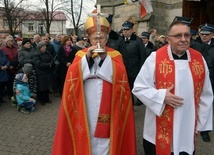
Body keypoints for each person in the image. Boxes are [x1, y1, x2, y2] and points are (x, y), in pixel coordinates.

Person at [52, 12, 136, 155]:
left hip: (109, 101)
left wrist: (104, 58)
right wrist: (88, 58)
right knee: (87, 128)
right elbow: (72, 75)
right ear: (89, 39)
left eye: (101, 37)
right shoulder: (80, 55)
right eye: (95, 38)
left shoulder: (115, 55)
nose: (98, 40)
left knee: (107, 133)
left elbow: (121, 76)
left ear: (107, 38)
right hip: (86, 101)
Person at [132, 21, 213, 155]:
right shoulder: (155, 58)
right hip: (157, 130)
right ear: (168, 38)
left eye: (186, 35)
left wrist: (201, 124)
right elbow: (139, 88)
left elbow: (206, 94)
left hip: (187, 127)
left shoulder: (199, 59)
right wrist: (162, 96)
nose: (183, 39)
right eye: (178, 36)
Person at [122, 21, 147, 106]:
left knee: (135, 87)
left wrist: (141, 70)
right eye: (124, 30)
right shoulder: (120, 40)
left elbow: (142, 56)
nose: (125, 31)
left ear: (132, 30)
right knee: (127, 89)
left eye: (127, 30)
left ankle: (140, 100)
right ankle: (130, 105)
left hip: (135, 69)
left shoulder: (137, 41)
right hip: (124, 69)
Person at [197, 24, 214, 142]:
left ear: (212, 35)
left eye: (207, 34)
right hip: (196, 80)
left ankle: (205, 131)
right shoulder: (193, 46)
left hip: (211, 81)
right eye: (202, 34)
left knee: (207, 106)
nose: (204, 36)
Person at [1, 35, 19, 99]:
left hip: (16, 67)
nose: (10, 42)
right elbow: (3, 59)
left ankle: (16, 93)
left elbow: (18, 57)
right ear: (6, 42)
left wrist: (17, 65)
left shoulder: (16, 48)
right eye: (9, 41)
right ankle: (10, 94)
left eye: (11, 41)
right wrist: (8, 66)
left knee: (15, 81)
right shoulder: (3, 49)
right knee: (9, 82)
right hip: (8, 68)